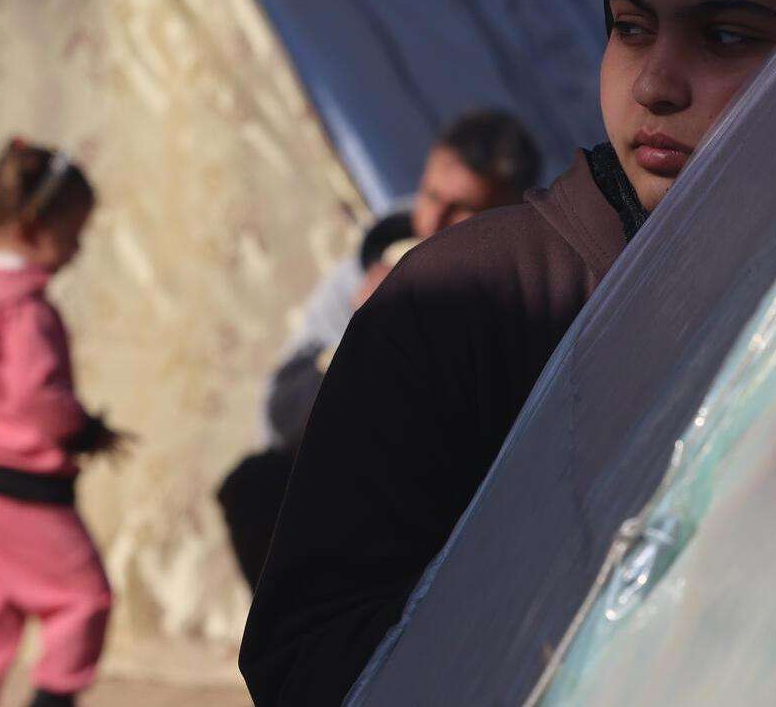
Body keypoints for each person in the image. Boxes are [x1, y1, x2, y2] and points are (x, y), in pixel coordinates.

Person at [239, 0, 776, 705]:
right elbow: (308, 654)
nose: (653, 84)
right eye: (631, 26)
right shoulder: (466, 301)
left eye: (724, 36)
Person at [216, 110, 541, 589]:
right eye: (431, 196)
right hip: (359, 478)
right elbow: (281, 413)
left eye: (462, 208)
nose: (435, 219)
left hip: (460, 492)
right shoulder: (373, 262)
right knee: (255, 488)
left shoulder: (527, 286)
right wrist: (361, 332)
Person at [0, 140, 130, 707]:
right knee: (83, 599)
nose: (77, 249)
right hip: (30, 489)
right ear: (32, 226)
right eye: (73, 234)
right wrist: (83, 430)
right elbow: (37, 394)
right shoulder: (26, 312)